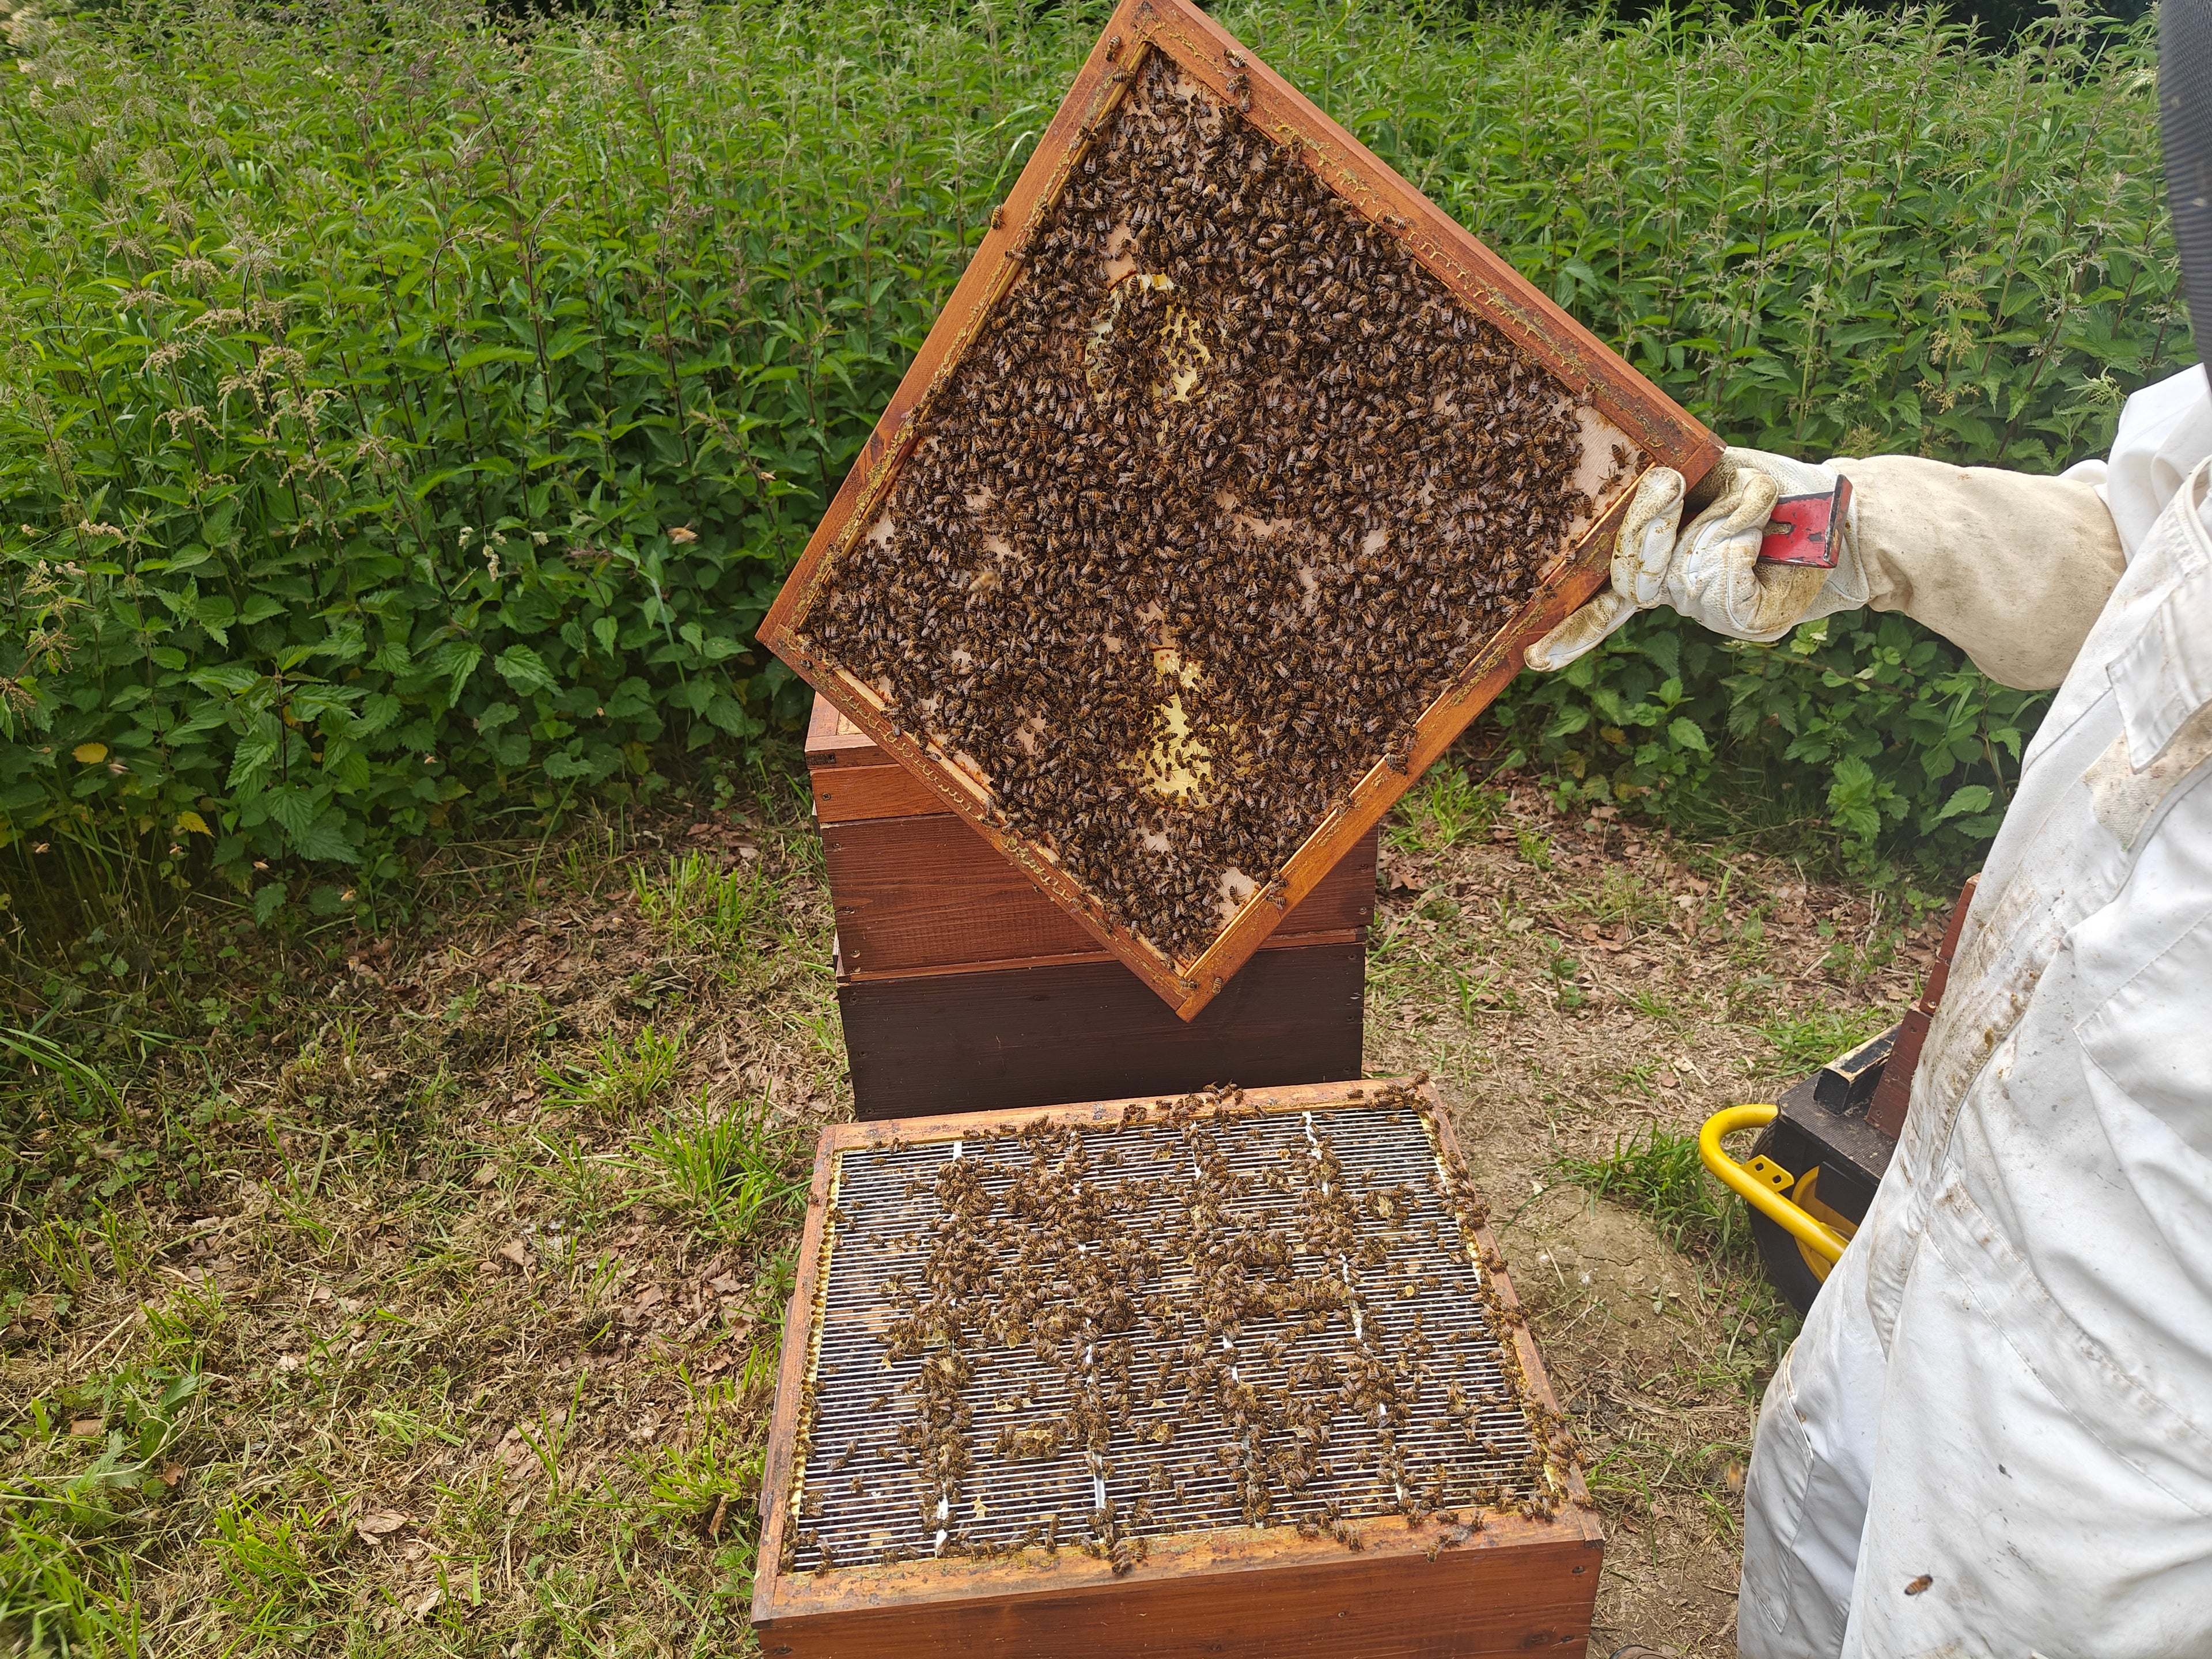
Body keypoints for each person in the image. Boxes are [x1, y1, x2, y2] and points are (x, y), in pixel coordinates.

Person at [1528, 4, 2212, 1654]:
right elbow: (2148, 538)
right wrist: (1847, 529)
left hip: (2152, 1383)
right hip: (1972, 1179)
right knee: (1813, 1513)